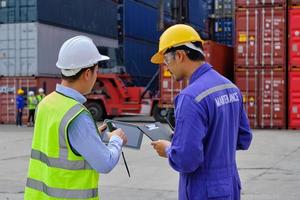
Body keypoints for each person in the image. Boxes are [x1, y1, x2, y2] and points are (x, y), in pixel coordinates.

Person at [150, 24, 252, 200]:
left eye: (166, 61)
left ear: (180, 55)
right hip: (230, 187)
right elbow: (243, 139)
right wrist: (190, 137)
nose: (166, 67)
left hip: (203, 191)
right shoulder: (231, 88)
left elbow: (186, 159)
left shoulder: (191, 97)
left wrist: (168, 149)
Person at [24, 35, 128, 200]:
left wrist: (95, 135)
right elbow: (105, 163)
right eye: (96, 70)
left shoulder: (45, 103)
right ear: (87, 73)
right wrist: (116, 140)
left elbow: (59, 144)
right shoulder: (77, 115)